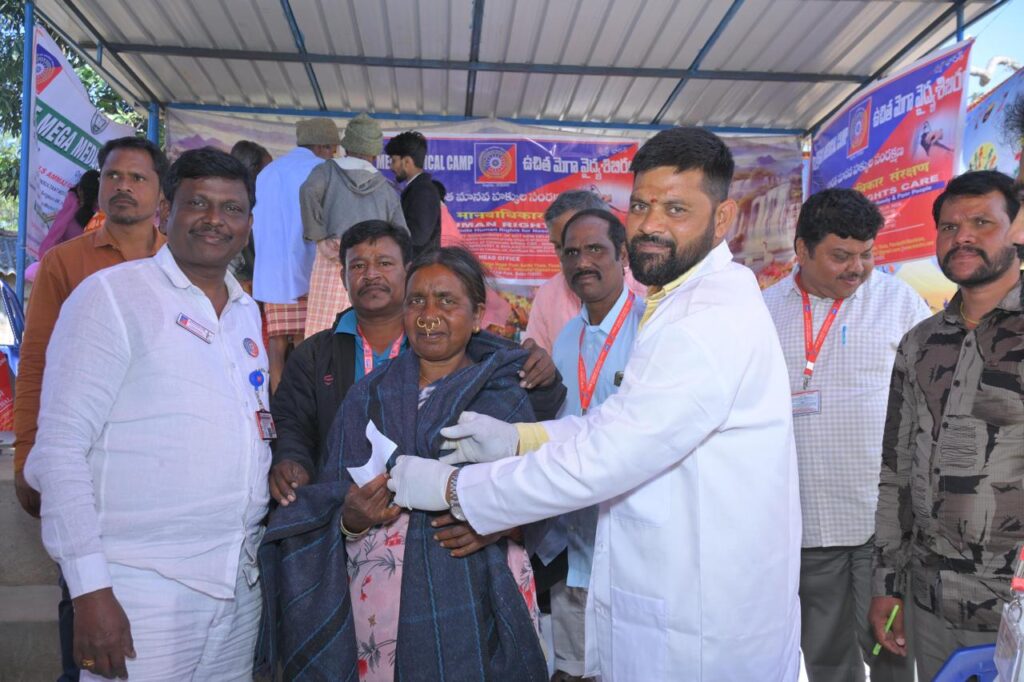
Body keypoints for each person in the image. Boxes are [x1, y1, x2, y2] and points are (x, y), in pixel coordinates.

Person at [387, 126, 802, 680]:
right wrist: (519, 439)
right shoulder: (681, 301)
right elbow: (620, 419)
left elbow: (610, 455)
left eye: (676, 209)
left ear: (722, 218)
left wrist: (455, 489)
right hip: (682, 596)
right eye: (642, 205)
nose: (650, 224)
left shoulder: (706, 321)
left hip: (702, 627)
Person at [25, 147, 270, 681]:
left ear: (249, 225)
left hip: (237, 584)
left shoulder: (246, 312)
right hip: (138, 587)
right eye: (197, 203)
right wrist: (90, 589)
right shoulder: (111, 297)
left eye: (232, 208)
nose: (214, 219)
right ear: (164, 212)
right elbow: (60, 449)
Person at [258, 247, 548, 681]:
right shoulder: (368, 395)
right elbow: (328, 499)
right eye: (417, 301)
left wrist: (496, 521)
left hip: (480, 591)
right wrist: (351, 520)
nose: (429, 315)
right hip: (380, 606)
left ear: (476, 315)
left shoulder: (505, 393)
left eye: (446, 301)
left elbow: (541, 494)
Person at [267, 219, 564, 506]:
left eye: (385, 263)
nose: (371, 275)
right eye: (358, 266)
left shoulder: (469, 351)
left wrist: (543, 379)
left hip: (458, 513)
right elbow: (292, 423)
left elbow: (525, 421)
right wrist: (293, 460)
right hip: (354, 513)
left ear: (407, 271)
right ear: (343, 277)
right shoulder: (314, 355)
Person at [13, 136, 167, 682]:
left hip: (157, 466)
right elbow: (36, 363)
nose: (123, 186)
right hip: (84, 460)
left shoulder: (179, 263)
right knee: (80, 591)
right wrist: (28, 453)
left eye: (138, 177)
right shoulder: (64, 262)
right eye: (113, 176)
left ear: (161, 194)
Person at [762, 188, 929, 682]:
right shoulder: (762, 312)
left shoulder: (899, 302)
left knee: (893, 654)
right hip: (805, 524)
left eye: (866, 254)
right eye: (841, 256)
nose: (857, 268)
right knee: (826, 658)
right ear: (802, 249)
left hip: (884, 529)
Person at [869, 170, 1024, 681]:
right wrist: (886, 583)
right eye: (950, 227)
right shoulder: (920, 343)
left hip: (1015, 607)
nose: (962, 237)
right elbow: (896, 471)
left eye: (982, 223)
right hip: (930, 602)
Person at [540, 208, 644, 682]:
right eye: (571, 252)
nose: (582, 262)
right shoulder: (566, 339)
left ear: (623, 255)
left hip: (630, 544)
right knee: (573, 668)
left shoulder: (649, 330)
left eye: (595, 249)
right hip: (572, 542)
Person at [300, 113, 407, 337]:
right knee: (366, 325)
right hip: (371, 264)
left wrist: (319, 236)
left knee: (323, 329)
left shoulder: (326, 171)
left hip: (331, 255)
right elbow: (402, 234)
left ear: (346, 146)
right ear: (374, 154)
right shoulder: (386, 188)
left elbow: (307, 191)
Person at [252, 118, 340, 392]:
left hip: (271, 272)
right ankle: (302, 405)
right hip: (307, 270)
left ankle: (278, 405)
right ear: (321, 146)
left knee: (277, 344)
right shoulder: (321, 170)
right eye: (332, 148)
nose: (334, 154)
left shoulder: (268, 172)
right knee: (305, 343)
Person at [523, 190, 646, 354]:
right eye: (561, 247)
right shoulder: (548, 295)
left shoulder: (648, 291)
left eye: (592, 248)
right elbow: (536, 357)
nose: (580, 262)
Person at [385, 131, 441, 258]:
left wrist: (388, 230)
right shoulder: (417, 188)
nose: (391, 167)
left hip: (419, 264)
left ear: (407, 161)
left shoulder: (423, 191)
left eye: (393, 161)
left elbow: (418, 237)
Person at [229, 140, 272, 287]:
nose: (272, 177)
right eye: (268, 171)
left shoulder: (254, 201)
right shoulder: (234, 203)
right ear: (254, 170)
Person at [38, 169, 101, 258]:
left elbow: (48, 247)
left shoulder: (70, 210)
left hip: (57, 261)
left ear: (79, 190)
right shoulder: (105, 216)